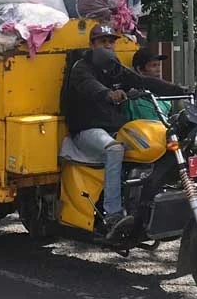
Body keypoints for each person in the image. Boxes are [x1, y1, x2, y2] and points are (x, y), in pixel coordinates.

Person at [61, 25, 183, 237]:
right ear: (92, 45)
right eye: (103, 42)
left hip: (115, 129)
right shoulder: (82, 67)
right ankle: (113, 214)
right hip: (88, 130)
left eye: (111, 41)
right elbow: (90, 87)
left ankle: (144, 205)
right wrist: (108, 94)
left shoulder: (114, 68)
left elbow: (142, 81)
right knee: (115, 149)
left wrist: (180, 90)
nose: (108, 45)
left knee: (152, 145)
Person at [124, 49, 173, 122]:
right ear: (140, 69)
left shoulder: (162, 90)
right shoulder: (130, 92)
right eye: (154, 66)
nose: (158, 69)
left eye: (159, 65)